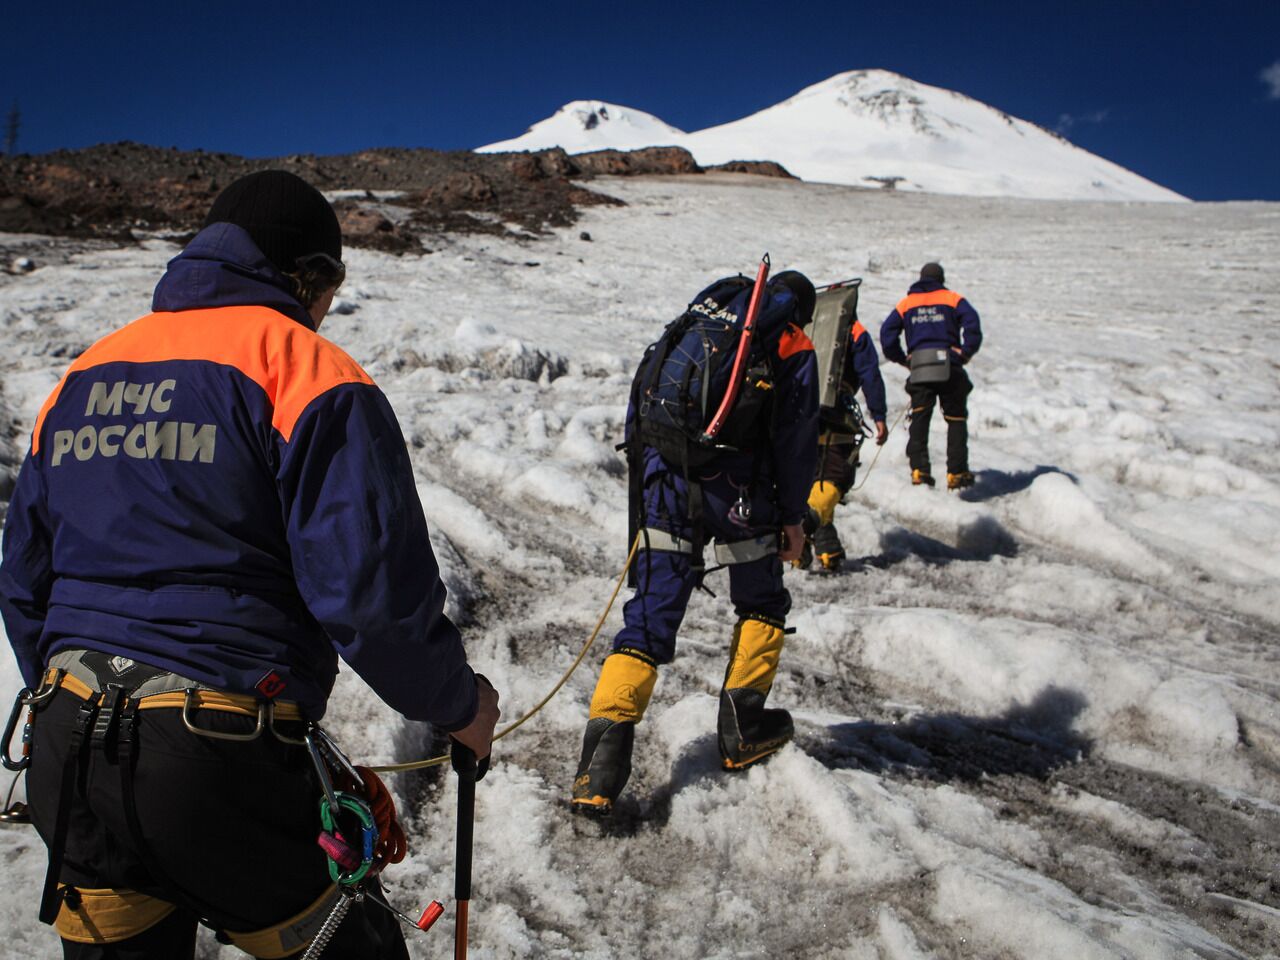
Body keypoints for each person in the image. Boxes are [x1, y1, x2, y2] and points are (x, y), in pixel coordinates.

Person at [0, 170, 500, 959]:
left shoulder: (86, 374)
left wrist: (70, 694)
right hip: (218, 752)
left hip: (68, 742)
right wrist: (458, 704)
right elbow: (370, 598)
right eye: (330, 285)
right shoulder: (307, 371)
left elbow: (26, 577)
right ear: (309, 276)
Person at [571, 270, 819, 815]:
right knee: (762, 601)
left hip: (667, 475)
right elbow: (797, 440)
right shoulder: (791, 340)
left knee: (649, 616)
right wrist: (794, 518)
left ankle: (598, 771)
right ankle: (743, 730)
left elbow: (645, 394)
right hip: (740, 491)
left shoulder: (705, 320)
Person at [879, 263, 983, 489]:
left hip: (920, 366)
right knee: (955, 419)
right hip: (949, 365)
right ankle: (957, 472)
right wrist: (964, 353)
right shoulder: (952, 298)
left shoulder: (907, 303)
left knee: (920, 417)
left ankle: (919, 470)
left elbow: (887, 334)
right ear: (941, 279)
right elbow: (973, 323)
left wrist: (903, 359)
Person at [801, 316, 888, 571]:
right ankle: (802, 525)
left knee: (809, 482)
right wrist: (879, 415)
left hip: (797, 412)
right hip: (837, 413)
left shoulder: (805, 326)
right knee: (835, 478)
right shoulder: (853, 330)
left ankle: (825, 550)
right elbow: (869, 372)